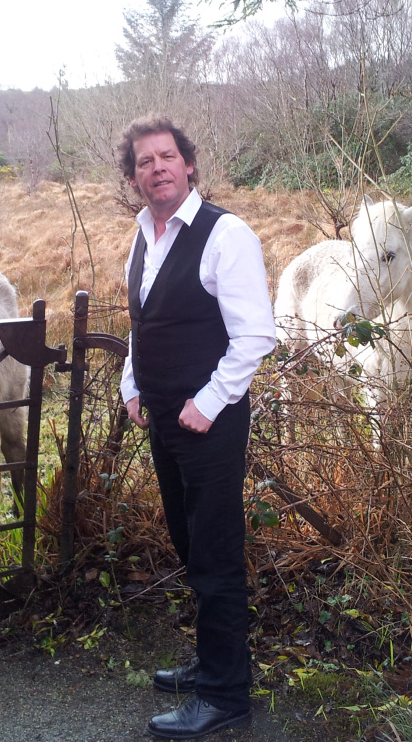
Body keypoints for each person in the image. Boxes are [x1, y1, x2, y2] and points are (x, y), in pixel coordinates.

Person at [118, 115, 275, 739]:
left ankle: (224, 694)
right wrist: (133, 384)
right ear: (132, 177)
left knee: (214, 553)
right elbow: (144, 322)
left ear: (188, 164)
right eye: (143, 161)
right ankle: (216, 659)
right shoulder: (143, 236)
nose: (155, 167)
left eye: (166, 156)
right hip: (163, 417)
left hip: (208, 422)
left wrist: (208, 402)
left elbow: (255, 334)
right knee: (188, 543)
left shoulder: (224, 234)